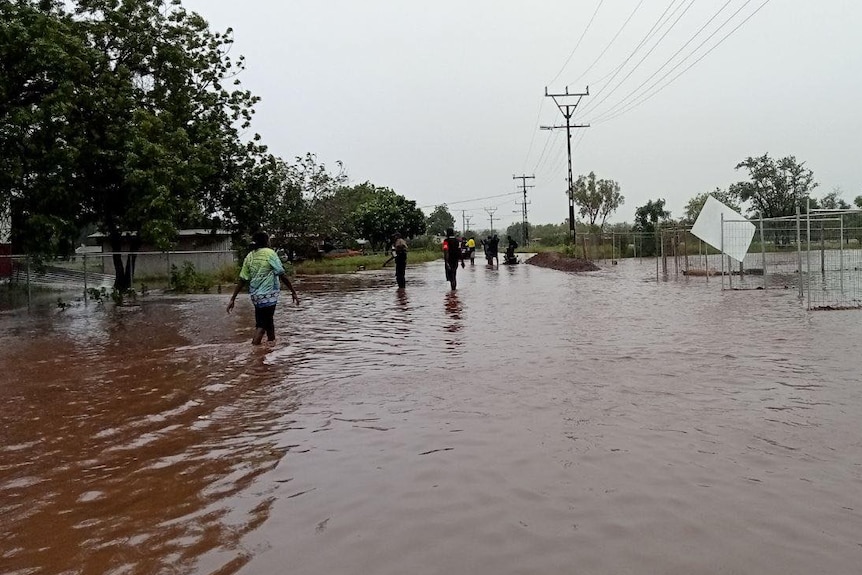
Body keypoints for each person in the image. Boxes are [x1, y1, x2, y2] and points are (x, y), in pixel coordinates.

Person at [227, 231, 299, 345]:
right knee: (262, 325)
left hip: (255, 296)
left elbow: (242, 279)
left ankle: (271, 345)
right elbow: (281, 274)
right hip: (269, 295)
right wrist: (293, 292)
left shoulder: (249, 256)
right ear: (266, 241)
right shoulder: (270, 253)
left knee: (268, 321)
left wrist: (233, 299)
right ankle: (254, 352)